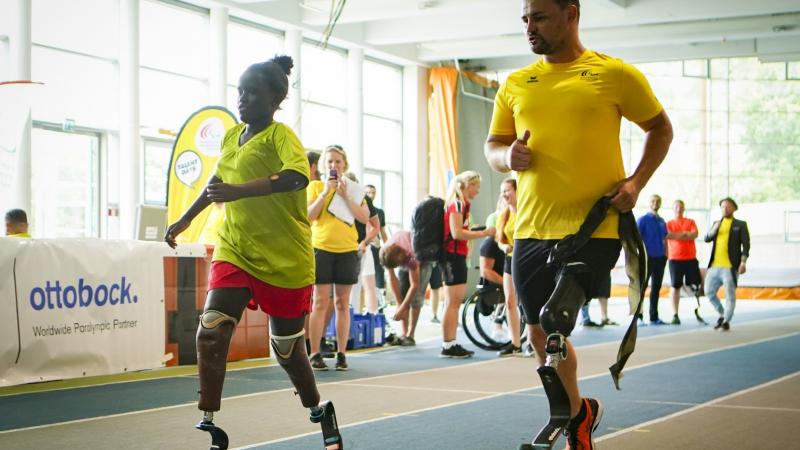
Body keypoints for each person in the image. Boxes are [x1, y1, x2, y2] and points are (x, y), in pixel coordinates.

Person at [484, 0, 673, 448]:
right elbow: (495, 145)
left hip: (596, 225)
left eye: (540, 18)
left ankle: (566, 419)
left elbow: (660, 128)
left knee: (555, 320)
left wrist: (636, 182)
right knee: (536, 330)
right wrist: (506, 157)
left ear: (571, 14)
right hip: (530, 228)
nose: (530, 28)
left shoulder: (614, 74)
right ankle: (577, 413)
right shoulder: (515, 83)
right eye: (525, 20)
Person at [164, 55, 341, 449]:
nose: (242, 99)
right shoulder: (231, 136)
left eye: (252, 92)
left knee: (286, 349)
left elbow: (297, 177)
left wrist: (239, 192)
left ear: (276, 97)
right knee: (211, 329)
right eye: (239, 91)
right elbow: (218, 180)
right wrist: (185, 219)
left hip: (285, 256)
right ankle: (209, 421)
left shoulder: (282, 137)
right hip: (236, 247)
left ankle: (317, 407)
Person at [306, 145, 370, 371]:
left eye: (338, 162)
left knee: (342, 303)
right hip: (321, 248)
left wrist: (345, 196)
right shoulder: (314, 186)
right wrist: (325, 192)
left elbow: (364, 217)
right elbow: (309, 216)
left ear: (345, 165)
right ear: (323, 165)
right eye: (330, 162)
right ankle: (315, 352)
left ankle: (341, 353)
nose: (334, 165)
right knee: (320, 302)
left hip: (347, 250)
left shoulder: (353, 188)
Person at [441, 170, 496, 358]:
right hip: (452, 256)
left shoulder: (462, 205)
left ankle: (450, 342)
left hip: (455, 255)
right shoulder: (456, 204)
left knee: (453, 302)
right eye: (476, 186)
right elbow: (456, 233)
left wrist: (476, 231)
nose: (478, 190)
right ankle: (449, 344)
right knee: (453, 302)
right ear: (467, 185)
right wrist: (484, 234)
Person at [704, 197, 750, 331]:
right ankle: (722, 313)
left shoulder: (740, 225)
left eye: (728, 206)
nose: (725, 209)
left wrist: (743, 262)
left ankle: (726, 320)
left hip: (730, 267)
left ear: (734, 208)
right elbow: (707, 238)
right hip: (714, 266)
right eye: (723, 206)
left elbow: (746, 245)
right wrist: (715, 228)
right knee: (709, 291)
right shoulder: (716, 223)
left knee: (730, 294)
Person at [380, 229, 432, 346]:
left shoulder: (411, 257)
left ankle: (410, 334)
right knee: (402, 296)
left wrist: (402, 308)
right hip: (402, 253)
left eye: (398, 265)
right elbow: (392, 279)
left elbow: (414, 285)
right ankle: (404, 333)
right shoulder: (384, 253)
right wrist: (400, 305)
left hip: (423, 259)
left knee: (416, 298)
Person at [344, 173, 381, 314]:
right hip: (339, 247)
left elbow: (376, 227)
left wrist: (364, 243)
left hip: (358, 248)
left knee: (357, 286)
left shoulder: (364, 199)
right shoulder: (336, 197)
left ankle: (356, 319)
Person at [495, 179, 523, 356]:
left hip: (526, 260)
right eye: (502, 192)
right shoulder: (504, 215)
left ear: (517, 191)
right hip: (510, 260)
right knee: (510, 301)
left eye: (507, 191)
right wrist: (504, 246)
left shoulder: (527, 212)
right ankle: (516, 343)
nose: (505, 195)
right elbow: (499, 240)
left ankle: (535, 339)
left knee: (528, 303)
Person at [666, 200, 702, 323]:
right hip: (675, 259)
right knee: (675, 286)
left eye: (681, 207)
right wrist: (685, 234)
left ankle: (697, 308)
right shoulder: (669, 223)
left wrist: (678, 235)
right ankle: (675, 314)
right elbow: (668, 236)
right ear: (673, 209)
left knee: (696, 285)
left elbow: (694, 235)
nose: (678, 209)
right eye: (676, 207)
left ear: (684, 209)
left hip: (691, 258)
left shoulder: (690, 221)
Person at [637, 194, 668, 325]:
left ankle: (654, 317)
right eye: (653, 201)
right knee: (641, 287)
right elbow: (636, 238)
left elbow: (665, 239)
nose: (655, 203)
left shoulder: (662, 221)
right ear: (649, 203)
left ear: (660, 204)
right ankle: (638, 317)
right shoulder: (643, 220)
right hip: (646, 258)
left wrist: (665, 255)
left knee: (656, 288)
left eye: (658, 201)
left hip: (660, 258)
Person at [365, 184, 389, 295]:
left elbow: (383, 231)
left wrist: (387, 246)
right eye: (368, 192)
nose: (371, 195)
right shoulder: (360, 209)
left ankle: (380, 302)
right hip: (363, 245)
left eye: (373, 193)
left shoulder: (379, 212)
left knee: (378, 272)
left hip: (376, 245)